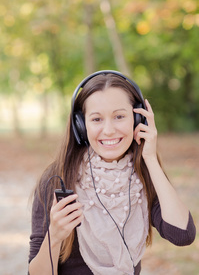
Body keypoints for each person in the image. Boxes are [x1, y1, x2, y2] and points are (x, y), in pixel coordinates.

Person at [28, 71, 196, 275]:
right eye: (97, 119)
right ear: (80, 126)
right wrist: (54, 237)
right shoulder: (57, 178)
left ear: (137, 119)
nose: (108, 130)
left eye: (119, 116)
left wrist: (150, 159)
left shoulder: (143, 173)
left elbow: (182, 234)